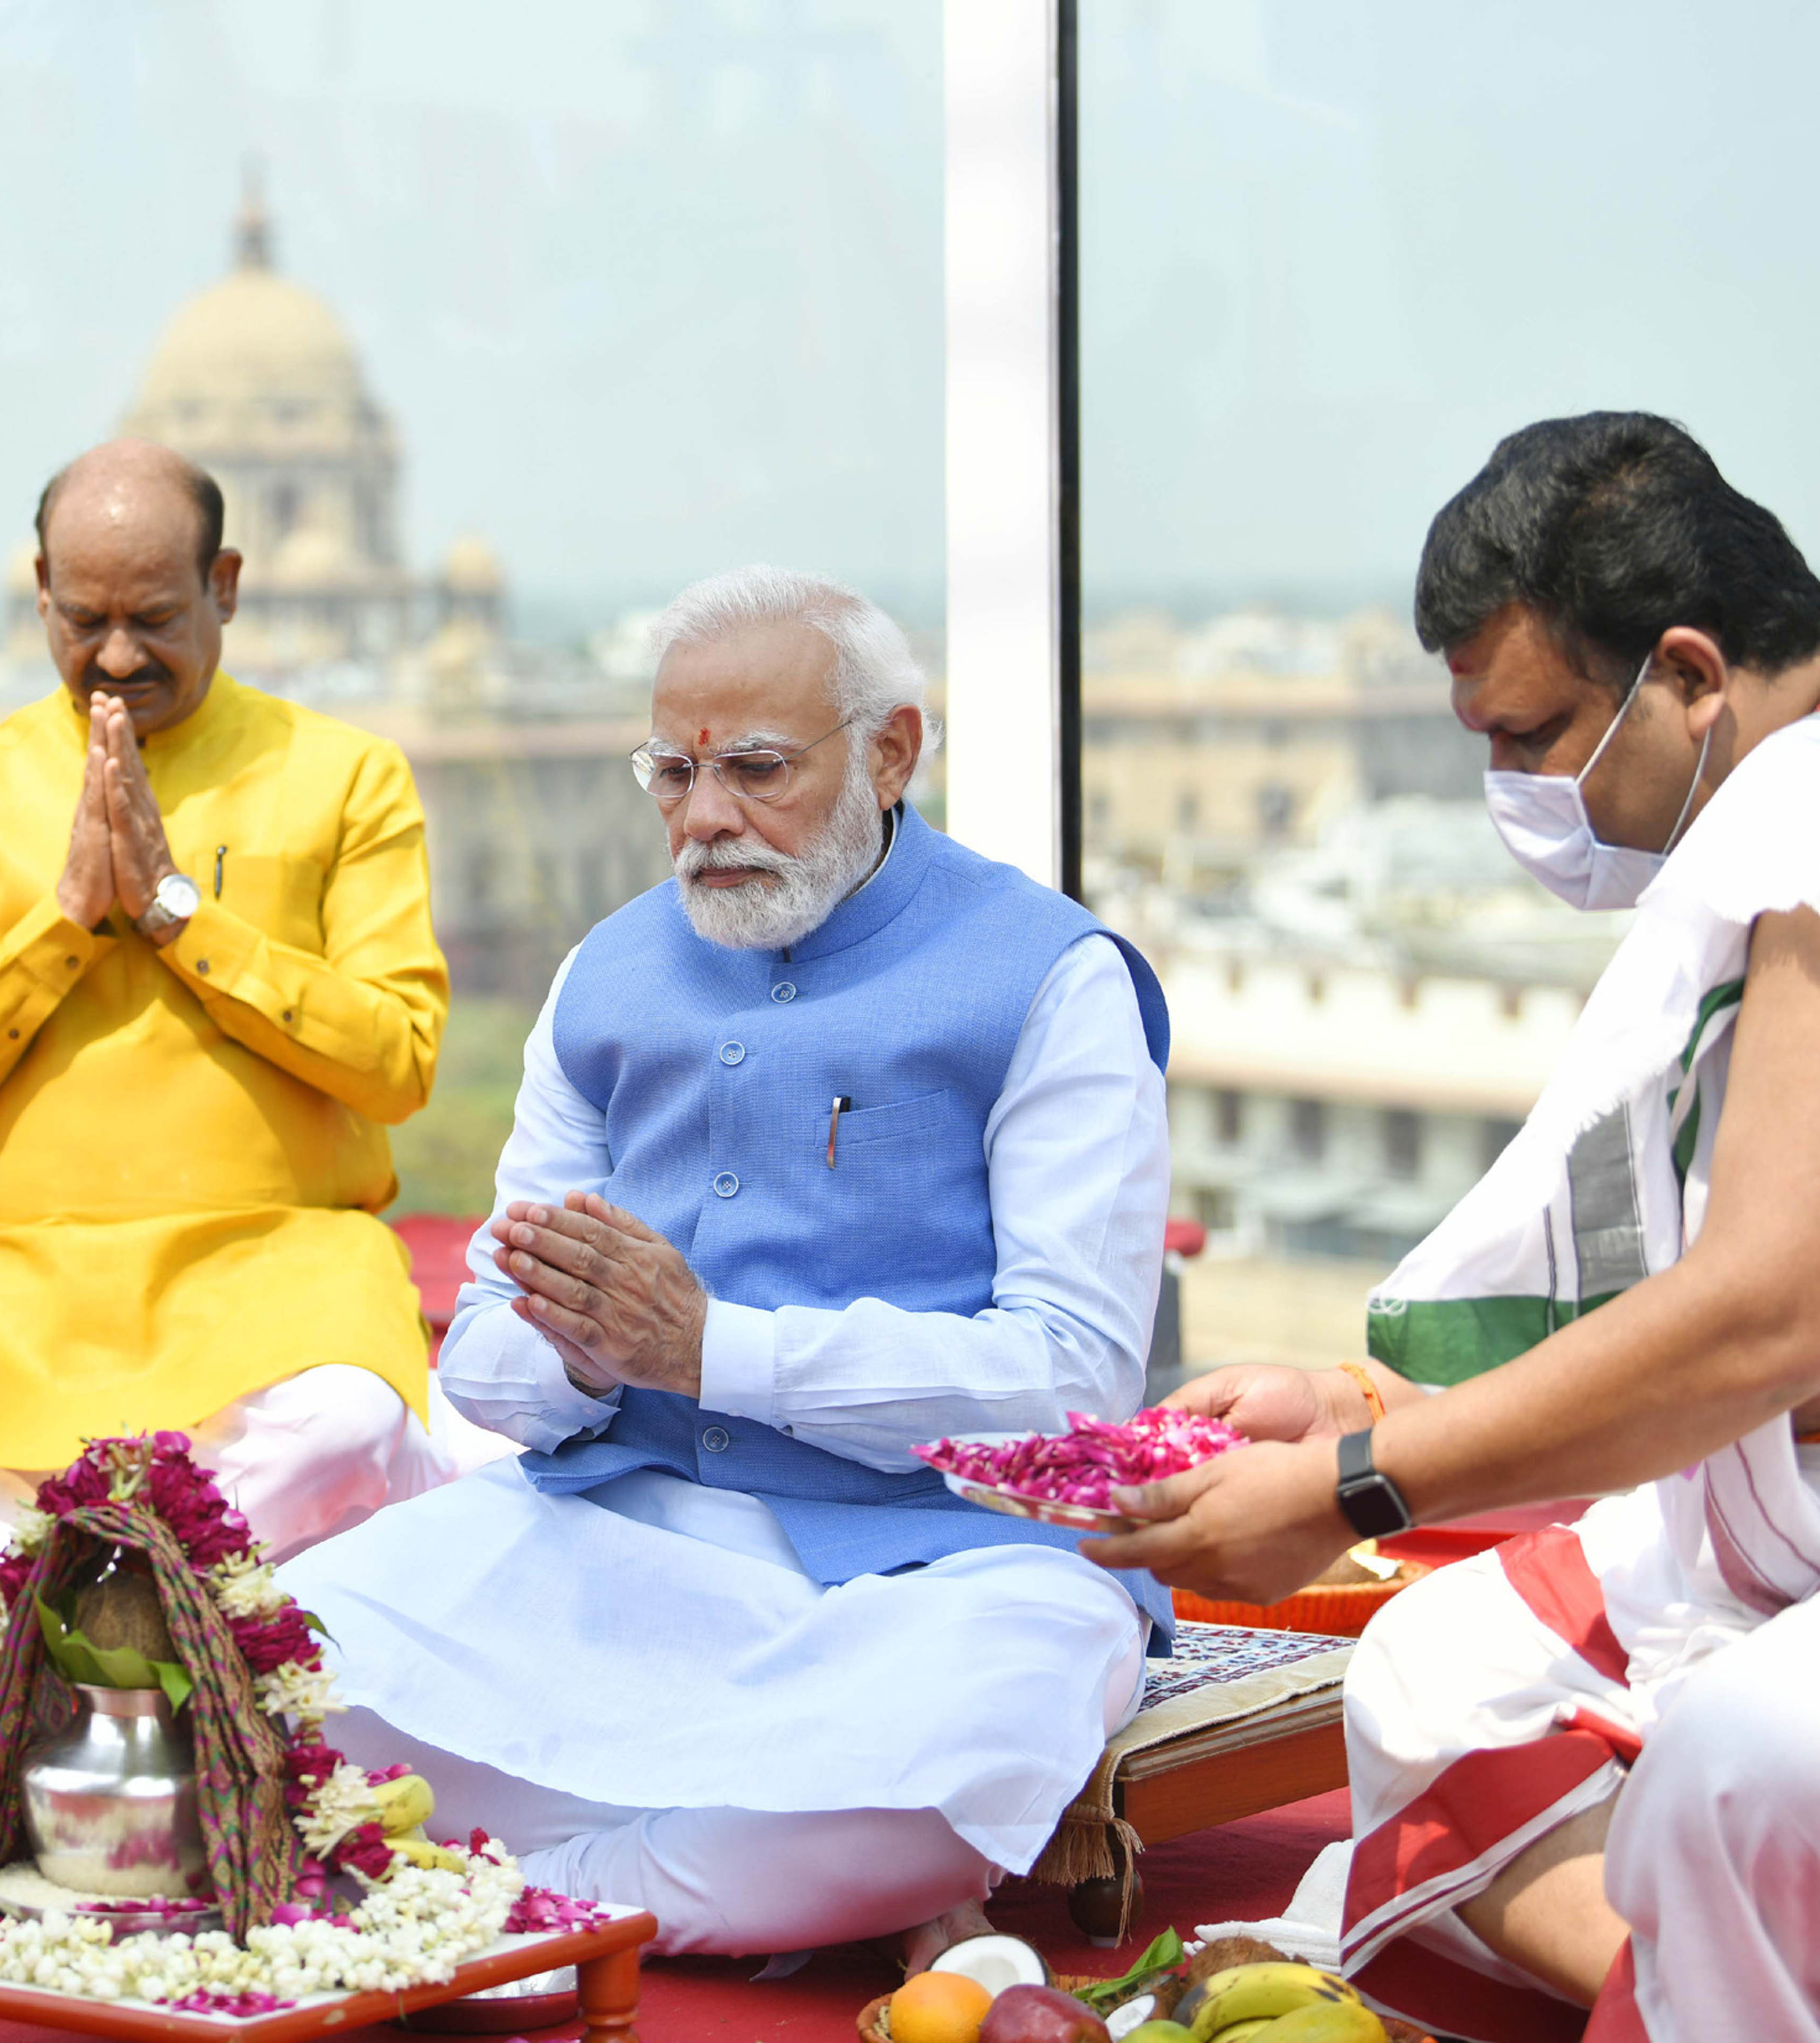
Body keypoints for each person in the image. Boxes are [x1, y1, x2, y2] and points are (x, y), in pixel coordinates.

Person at [279, 565, 1177, 1959]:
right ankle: (698, 1876)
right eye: (671, 772)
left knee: (974, 1741)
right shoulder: (607, 976)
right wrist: (582, 1349)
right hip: (622, 1526)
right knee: (265, 1664)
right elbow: (491, 1361)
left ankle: (539, 1898)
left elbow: (1072, 1383)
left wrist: (718, 1352)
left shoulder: (1051, 977)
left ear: (890, 751)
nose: (701, 819)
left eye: (754, 769)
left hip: (935, 1564)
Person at [1089, 413, 1820, 2043]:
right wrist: (1364, 1408)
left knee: (1738, 1768)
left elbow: (1768, 1314)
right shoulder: (1753, 849)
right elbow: (1701, 1333)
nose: (1514, 791)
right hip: (1759, 1535)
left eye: (1538, 734)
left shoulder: (1805, 827)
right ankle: (1694, 1977)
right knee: (1431, 1671)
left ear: (1691, 673)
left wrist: (1355, 1481)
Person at [0, 439, 459, 1701]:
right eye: (85, 621)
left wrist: (182, 916)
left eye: (156, 619)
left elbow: (396, 1066)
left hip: (270, 1262)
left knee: (355, 1416)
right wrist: (64, 921)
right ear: (42, 597)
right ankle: (72, 1600)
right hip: (20, 1277)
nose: (117, 656)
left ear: (225, 585)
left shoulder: (344, 780)